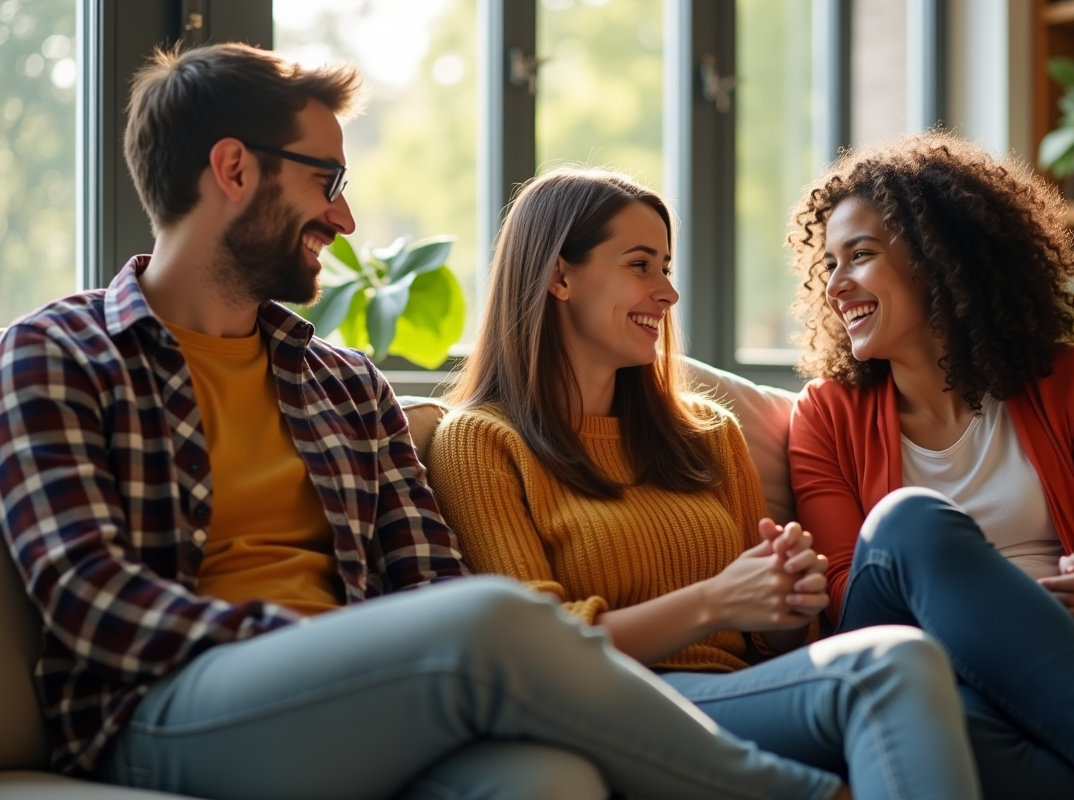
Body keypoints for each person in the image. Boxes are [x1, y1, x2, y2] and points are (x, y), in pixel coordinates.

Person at [0, 42, 876, 800]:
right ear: (233, 169)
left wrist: (367, 654)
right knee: (492, 619)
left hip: (354, 702)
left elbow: (425, 584)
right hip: (161, 710)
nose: (343, 217)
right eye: (326, 179)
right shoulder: (60, 354)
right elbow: (89, 597)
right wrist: (338, 645)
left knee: (549, 780)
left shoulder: (343, 387)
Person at [427, 165, 983, 800]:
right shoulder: (481, 442)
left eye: (666, 267)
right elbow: (534, 655)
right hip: (621, 707)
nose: (668, 293)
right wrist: (716, 600)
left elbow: (771, 645)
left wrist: (786, 599)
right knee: (891, 664)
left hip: (739, 698)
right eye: (641, 265)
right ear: (559, 276)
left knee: (906, 658)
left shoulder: (708, 434)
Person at [787, 130, 1074, 800]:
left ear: (940, 256)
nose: (835, 285)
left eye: (858, 257)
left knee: (956, 739)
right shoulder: (827, 416)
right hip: (933, 666)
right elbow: (845, 592)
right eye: (828, 264)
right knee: (909, 524)